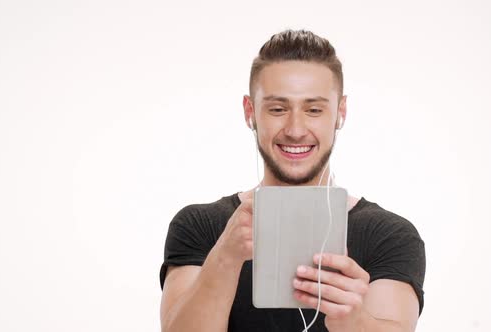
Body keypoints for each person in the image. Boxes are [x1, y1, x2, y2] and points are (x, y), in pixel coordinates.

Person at [159, 29, 425, 332]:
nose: (296, 129)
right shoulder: (200, 225)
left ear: (340, 113)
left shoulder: (389, 234)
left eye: (314, 109)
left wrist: (352, 319)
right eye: (277, 109)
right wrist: (226, 257)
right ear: (250, 112)